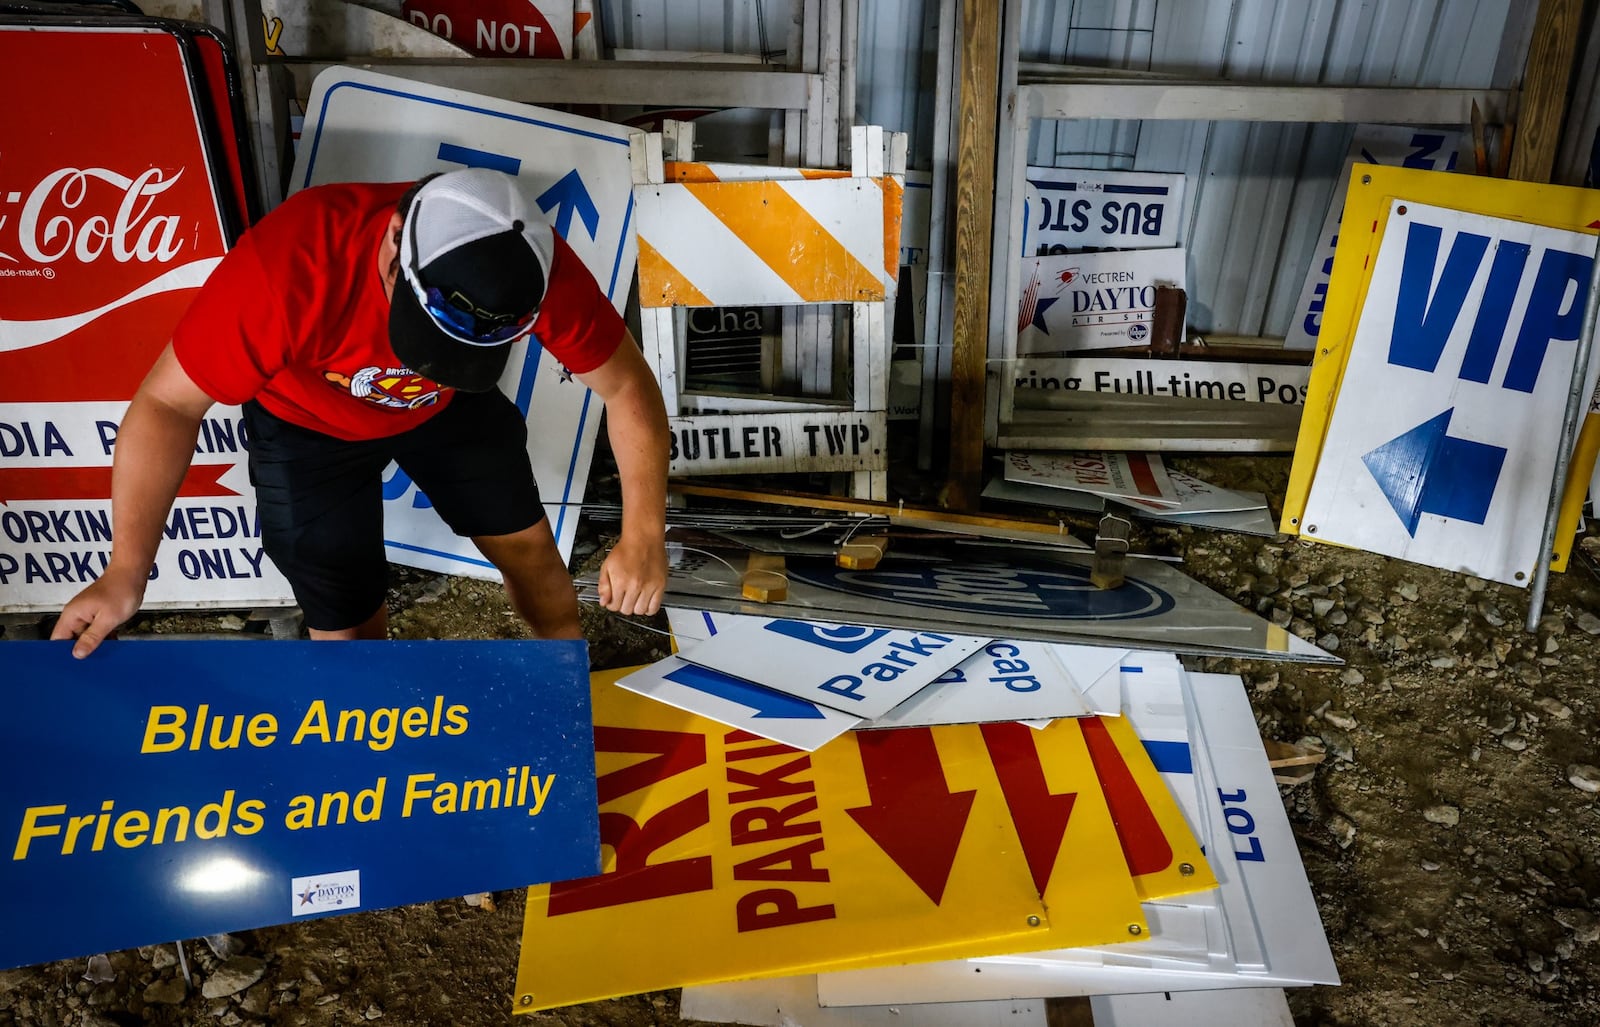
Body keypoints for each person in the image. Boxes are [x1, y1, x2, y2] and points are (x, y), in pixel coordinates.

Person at [51, 167, 669, 658]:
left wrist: (643, 533)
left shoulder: (533, 272)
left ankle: (564, 677)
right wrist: (126, 569)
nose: (428, 359)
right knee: (344, 620)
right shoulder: (289, 266)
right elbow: (166, 403)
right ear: (397, 238)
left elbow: (628, 390)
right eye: (430, 332)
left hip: (445, 406)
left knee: (529, 547)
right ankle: (376, 751)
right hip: (304, 422)